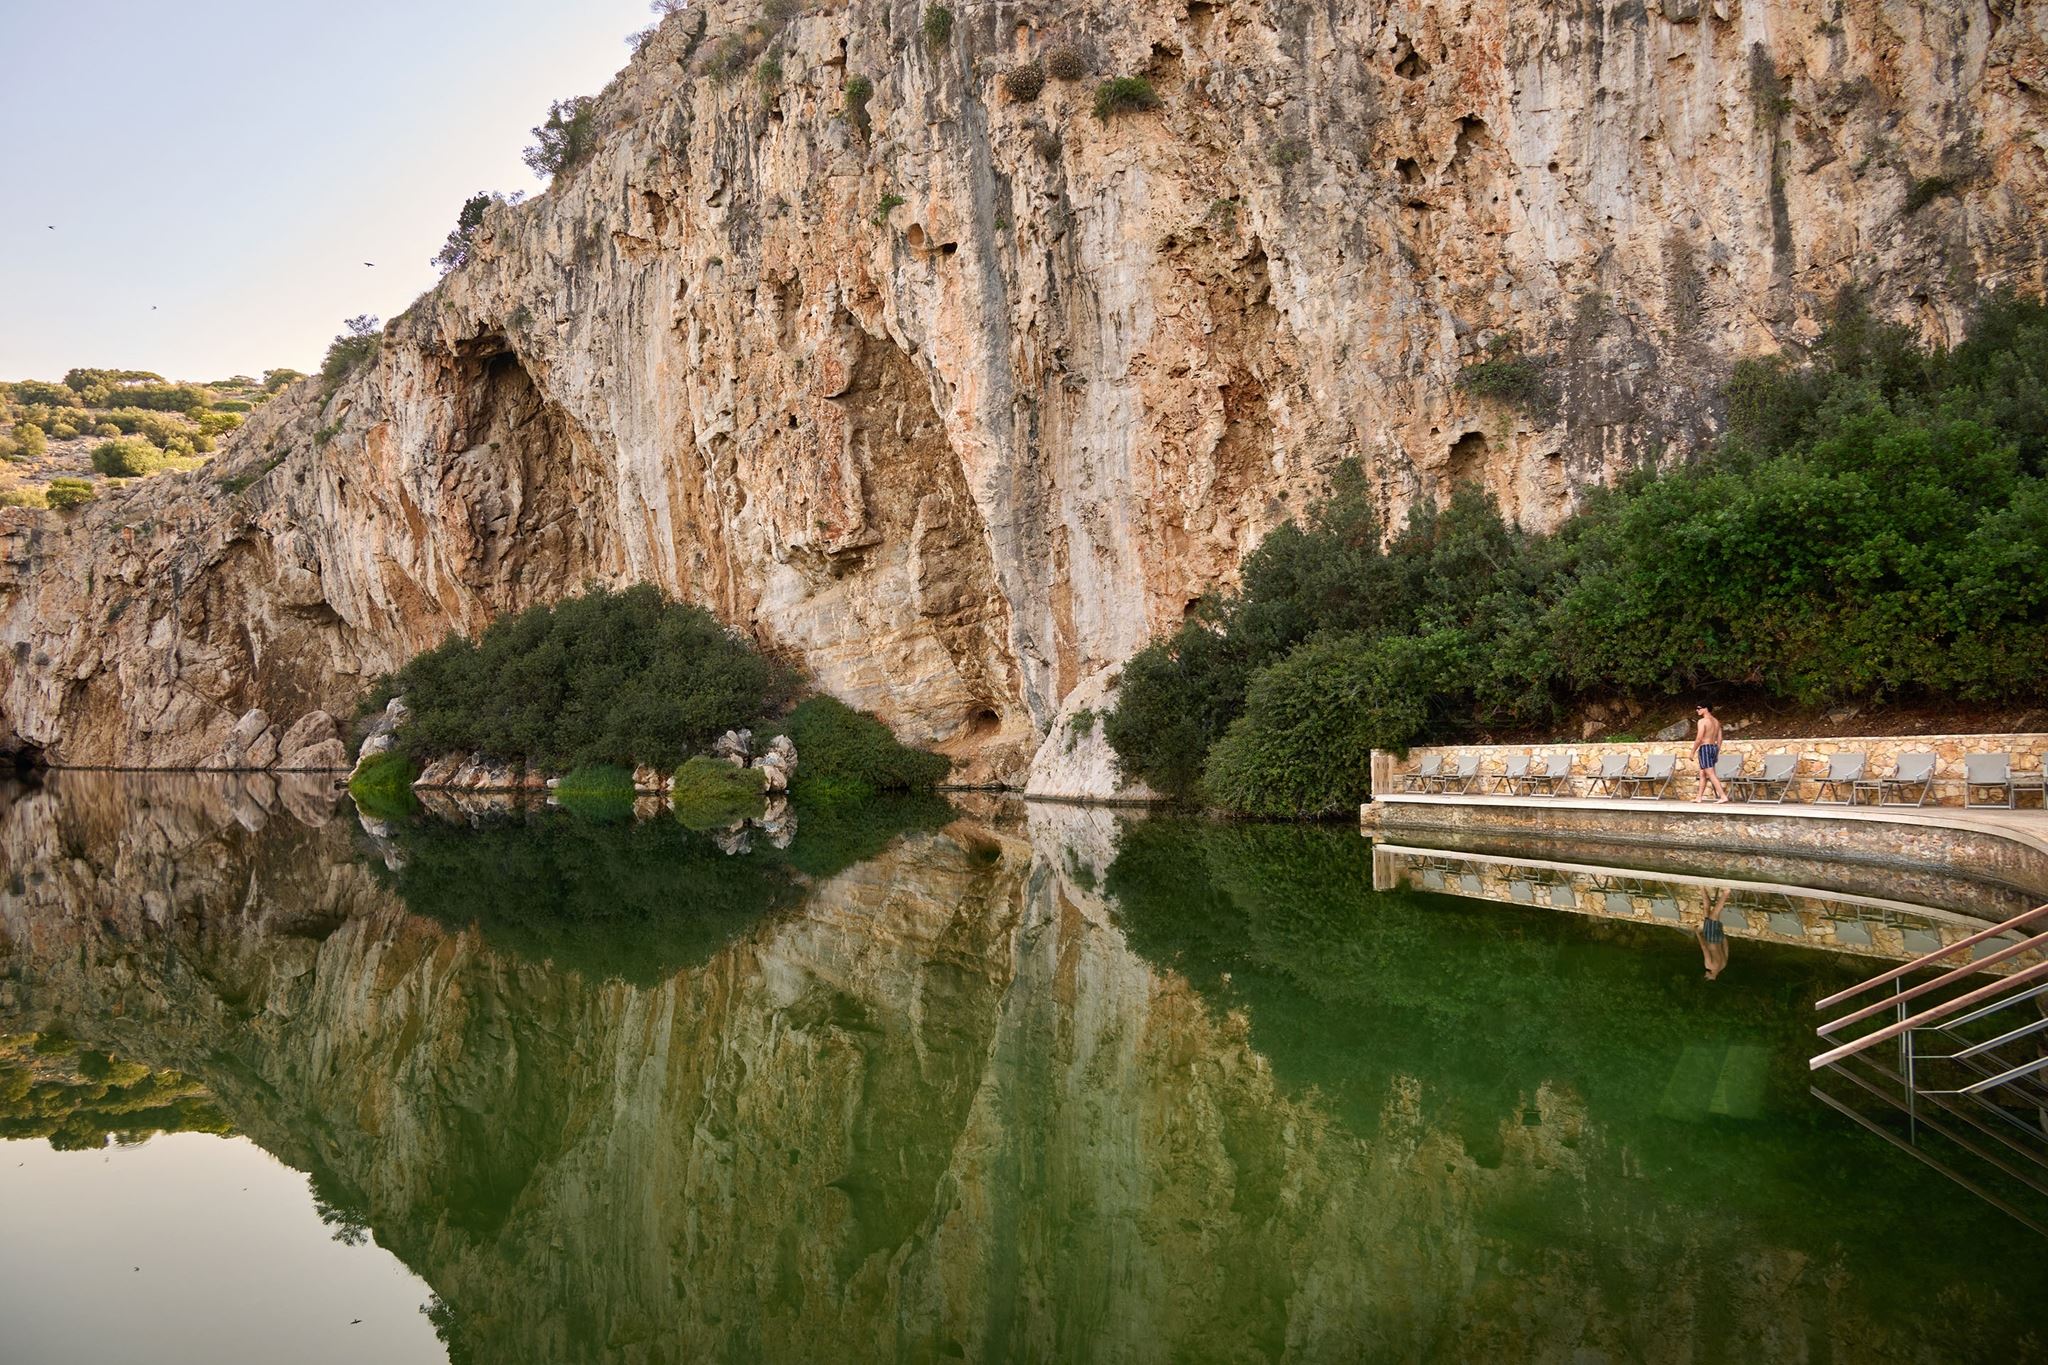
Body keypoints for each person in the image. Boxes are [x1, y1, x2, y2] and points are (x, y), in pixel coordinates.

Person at [1692, 702, 1730, 803]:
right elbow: (1720, 739)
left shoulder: (1702, 721)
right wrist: (1716, 751)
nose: (1697, 710)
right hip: (1713, 747)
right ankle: (1699, 797)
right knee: (1702, 773)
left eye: (1699, 708)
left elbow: (1699, 738)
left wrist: (1692, 752)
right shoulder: (1716, 722)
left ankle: (1723, 796)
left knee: (1711, 774)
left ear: (1706, 709)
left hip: (1705, 748)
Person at [1698, 886, 1731, 980]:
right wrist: (1697, 933)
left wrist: (1722, 935)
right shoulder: (1709, 965)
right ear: (1709, 977)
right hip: (1710, 938)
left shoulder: (1723, 965)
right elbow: (1704, 948)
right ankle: (1726, 893)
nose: (1705, 974)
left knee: (1706, 911)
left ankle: (1702, 888)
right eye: (1706, 976)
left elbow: (1726, 947)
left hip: (1719, 938)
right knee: (1714, 915)